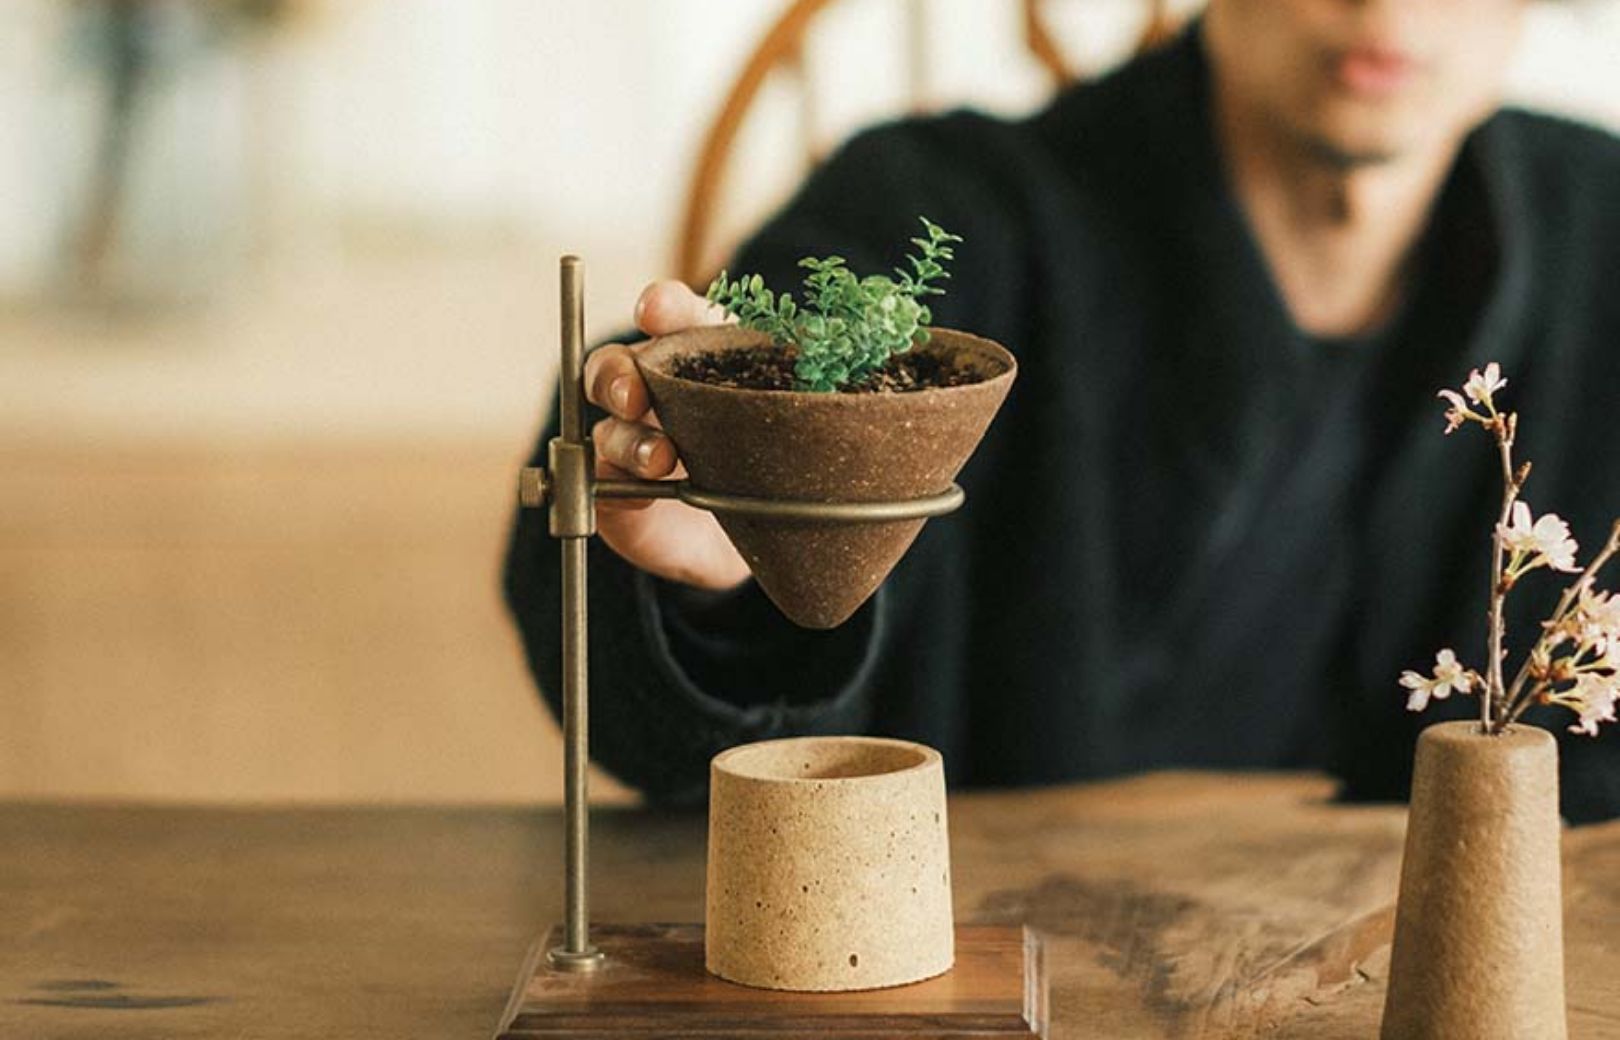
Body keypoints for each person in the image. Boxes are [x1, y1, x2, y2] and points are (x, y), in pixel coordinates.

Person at [505, 0, 1620, 819]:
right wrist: (729, 520)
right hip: (1002, 969)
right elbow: (738, 379)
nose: (1386, 7)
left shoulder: (1603, 233)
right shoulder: (946, 205)